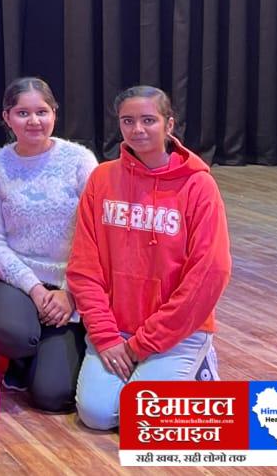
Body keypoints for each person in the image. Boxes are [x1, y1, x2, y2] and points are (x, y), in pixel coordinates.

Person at [68, 86, 232, 431]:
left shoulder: (199, 186)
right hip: (116, 328)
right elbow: (84, 266)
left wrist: (146, 343)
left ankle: (200, 366)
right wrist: (106, 336)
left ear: (169, 124)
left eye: (148, 120)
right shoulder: (102, 178)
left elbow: (210, 272)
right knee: (96, 416)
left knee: (142, 419)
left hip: (176, 332)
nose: (137, 129)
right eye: (128, 121)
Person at [0, 77, 98, 412]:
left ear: (54, 113)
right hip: (17, 277)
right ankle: (22, 354)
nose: (34, 121)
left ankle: (49, 352)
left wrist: (70, 291)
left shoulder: (80, 160)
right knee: (11, 333)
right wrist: (34, 288)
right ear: (7, 117)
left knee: (53, 396)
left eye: (42, 112)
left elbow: (97, 233)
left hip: (72, 280)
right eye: (23, 113)